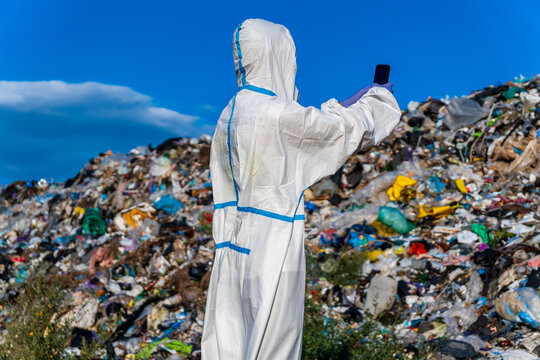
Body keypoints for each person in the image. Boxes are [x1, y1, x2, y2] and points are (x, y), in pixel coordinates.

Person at [202, 18, 400, 360]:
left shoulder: (230, 114)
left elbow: (309, 129)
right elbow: (339, 131)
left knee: (230, 342)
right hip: (272, 244)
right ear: (277, 56)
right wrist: (377, 101)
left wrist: (340, 107)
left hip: (231, 247)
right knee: (273, 342)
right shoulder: (275, 114)